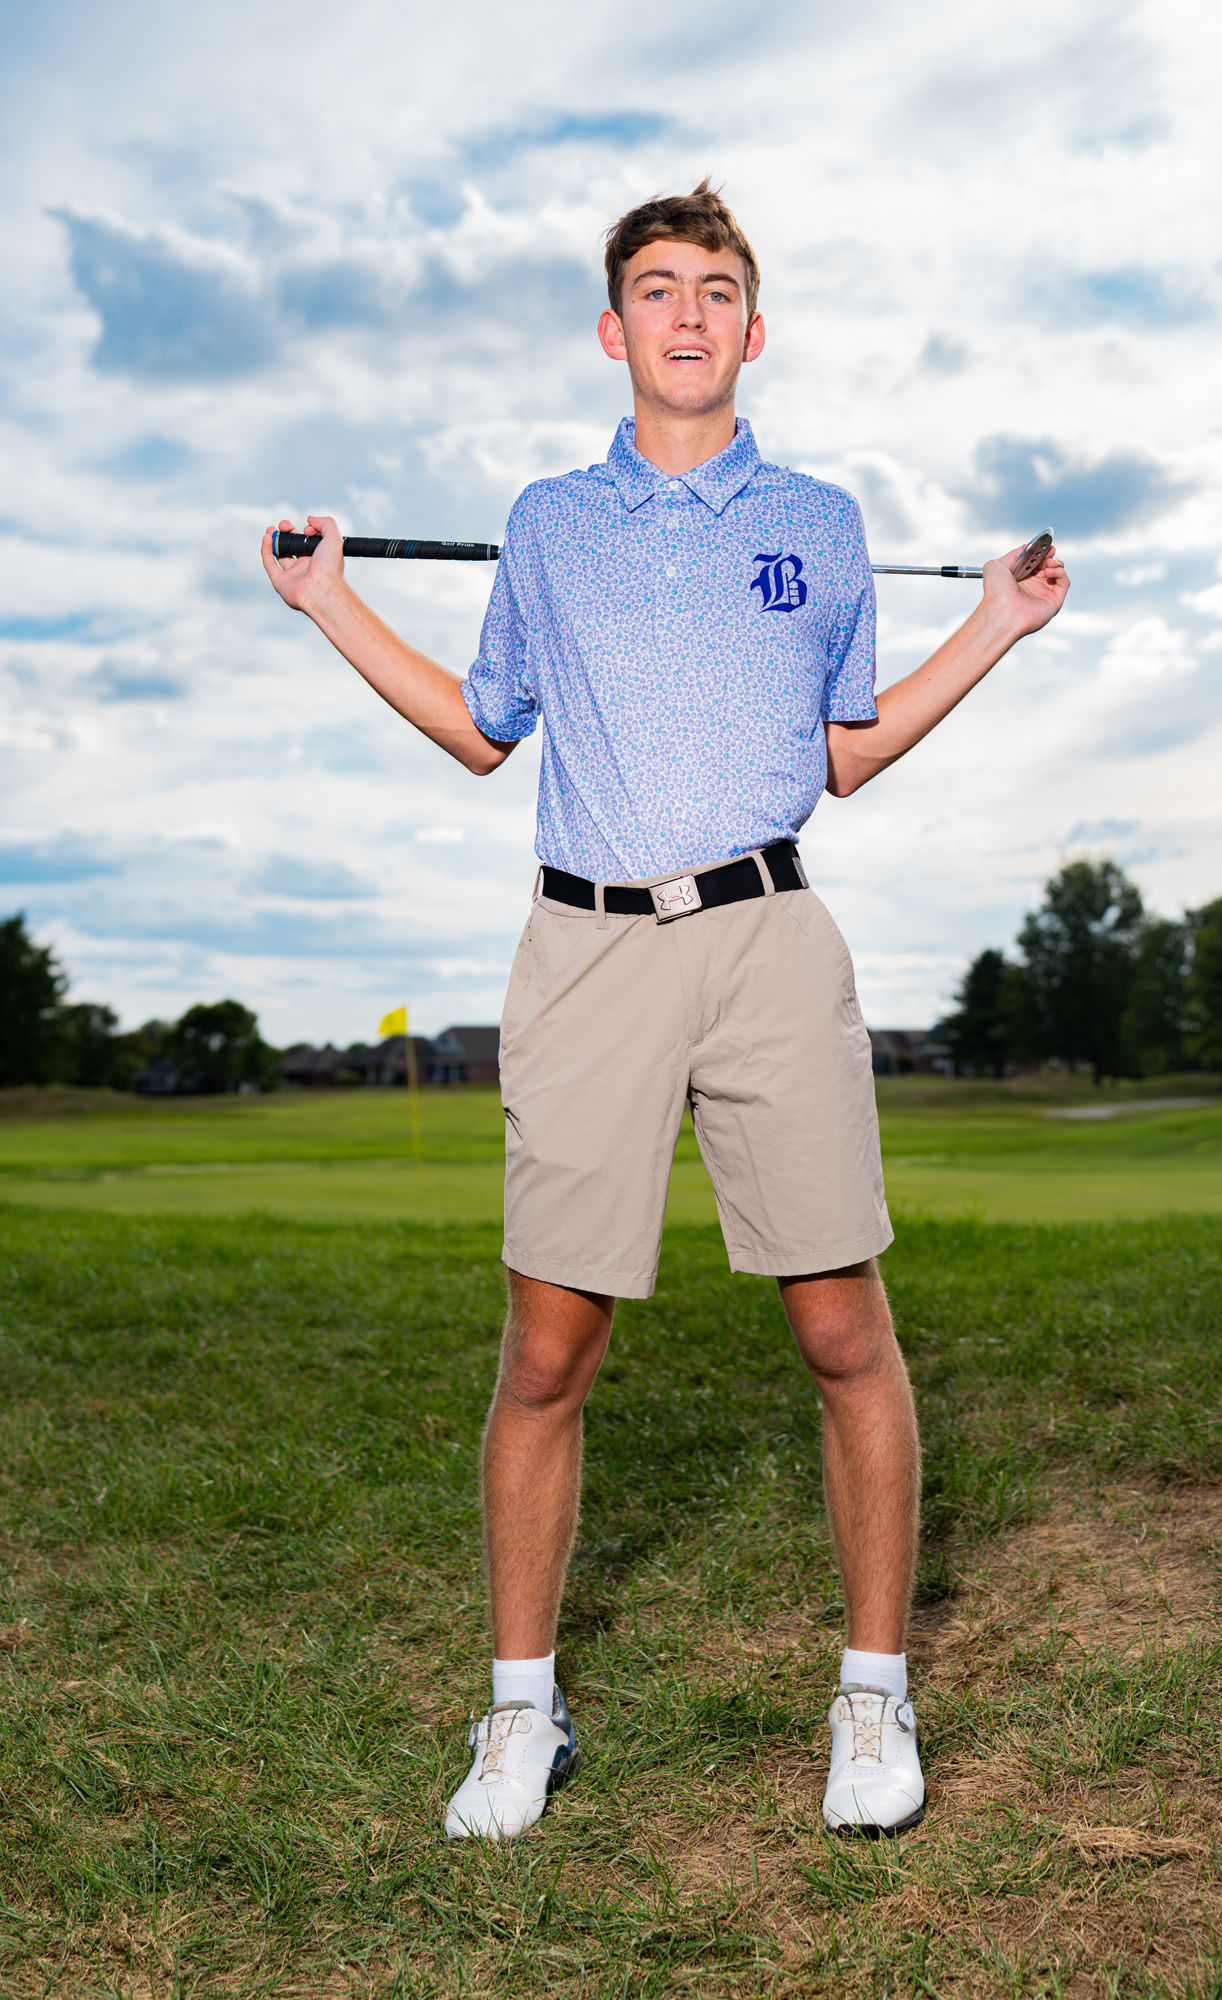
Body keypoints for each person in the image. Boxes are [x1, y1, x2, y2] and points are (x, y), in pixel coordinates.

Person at [262, 180, 1068, 1844]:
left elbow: (844, 753)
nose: (685, 312)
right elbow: (482, 728)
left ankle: (871, 1692)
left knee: (842, 1332)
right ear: (611, 327)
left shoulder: (821, 522)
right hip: (587, 950)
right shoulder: (549, 522)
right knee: (546, 1352)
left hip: (768, 938)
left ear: (751, 331)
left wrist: (992, 623)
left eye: (713, 288)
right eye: (655, 287)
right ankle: (520, 1712)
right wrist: (330, 601)